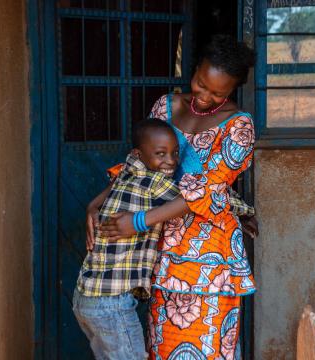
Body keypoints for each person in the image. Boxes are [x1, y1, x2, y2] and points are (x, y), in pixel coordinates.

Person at [97, 34, 257, 359]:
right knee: (163, 347)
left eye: (218, 93)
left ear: (233, 90)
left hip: (209, 259)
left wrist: (138, 221)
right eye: (201, 83)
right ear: (195, 68)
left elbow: (204, 193)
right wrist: (99, 200)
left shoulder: (239, 128)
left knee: (209, 349)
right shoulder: (165, 106)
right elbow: (141, 162)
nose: (206, 96)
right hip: (162, 252)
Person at [73, 118, 181, 360]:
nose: (171, 161)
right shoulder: (154, 181)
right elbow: (195, 199)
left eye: (175, 153)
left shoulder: (124, 172)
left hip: (85, 300)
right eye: (161, 154)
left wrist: (92, 205)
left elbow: (112, 185)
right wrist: (244, 210)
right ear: (138, 154)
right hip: (111, 305)